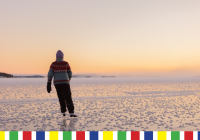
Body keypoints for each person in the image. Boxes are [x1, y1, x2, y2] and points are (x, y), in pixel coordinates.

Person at [47, 50, 77, 117]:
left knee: (61, 97)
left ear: (56, 57)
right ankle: (71, 112)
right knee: (68, 96)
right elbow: (70, 73)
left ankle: (63, 111)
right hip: (65, 82)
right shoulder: (66, 63)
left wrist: (49, 83)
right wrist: (68, 79)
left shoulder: (53, 64)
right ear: (62, 56)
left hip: (57, 83)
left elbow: (50, 74)